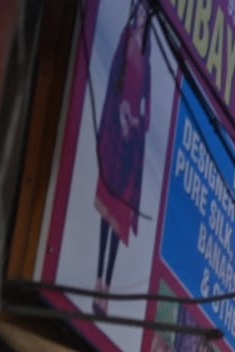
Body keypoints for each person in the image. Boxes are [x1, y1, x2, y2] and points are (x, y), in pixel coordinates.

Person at [94, 0, 153, 312]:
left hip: (131, 147)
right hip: (116, 138)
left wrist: (135, 121)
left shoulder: (149, 62)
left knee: (119, 217)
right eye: (140, 10)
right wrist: (120, 113)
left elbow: (148, 112)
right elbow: (113, 81)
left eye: (147, 13)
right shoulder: (124, 40)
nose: (142, 16)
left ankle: (108, 283)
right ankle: (98, 281)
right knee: (107, 212)